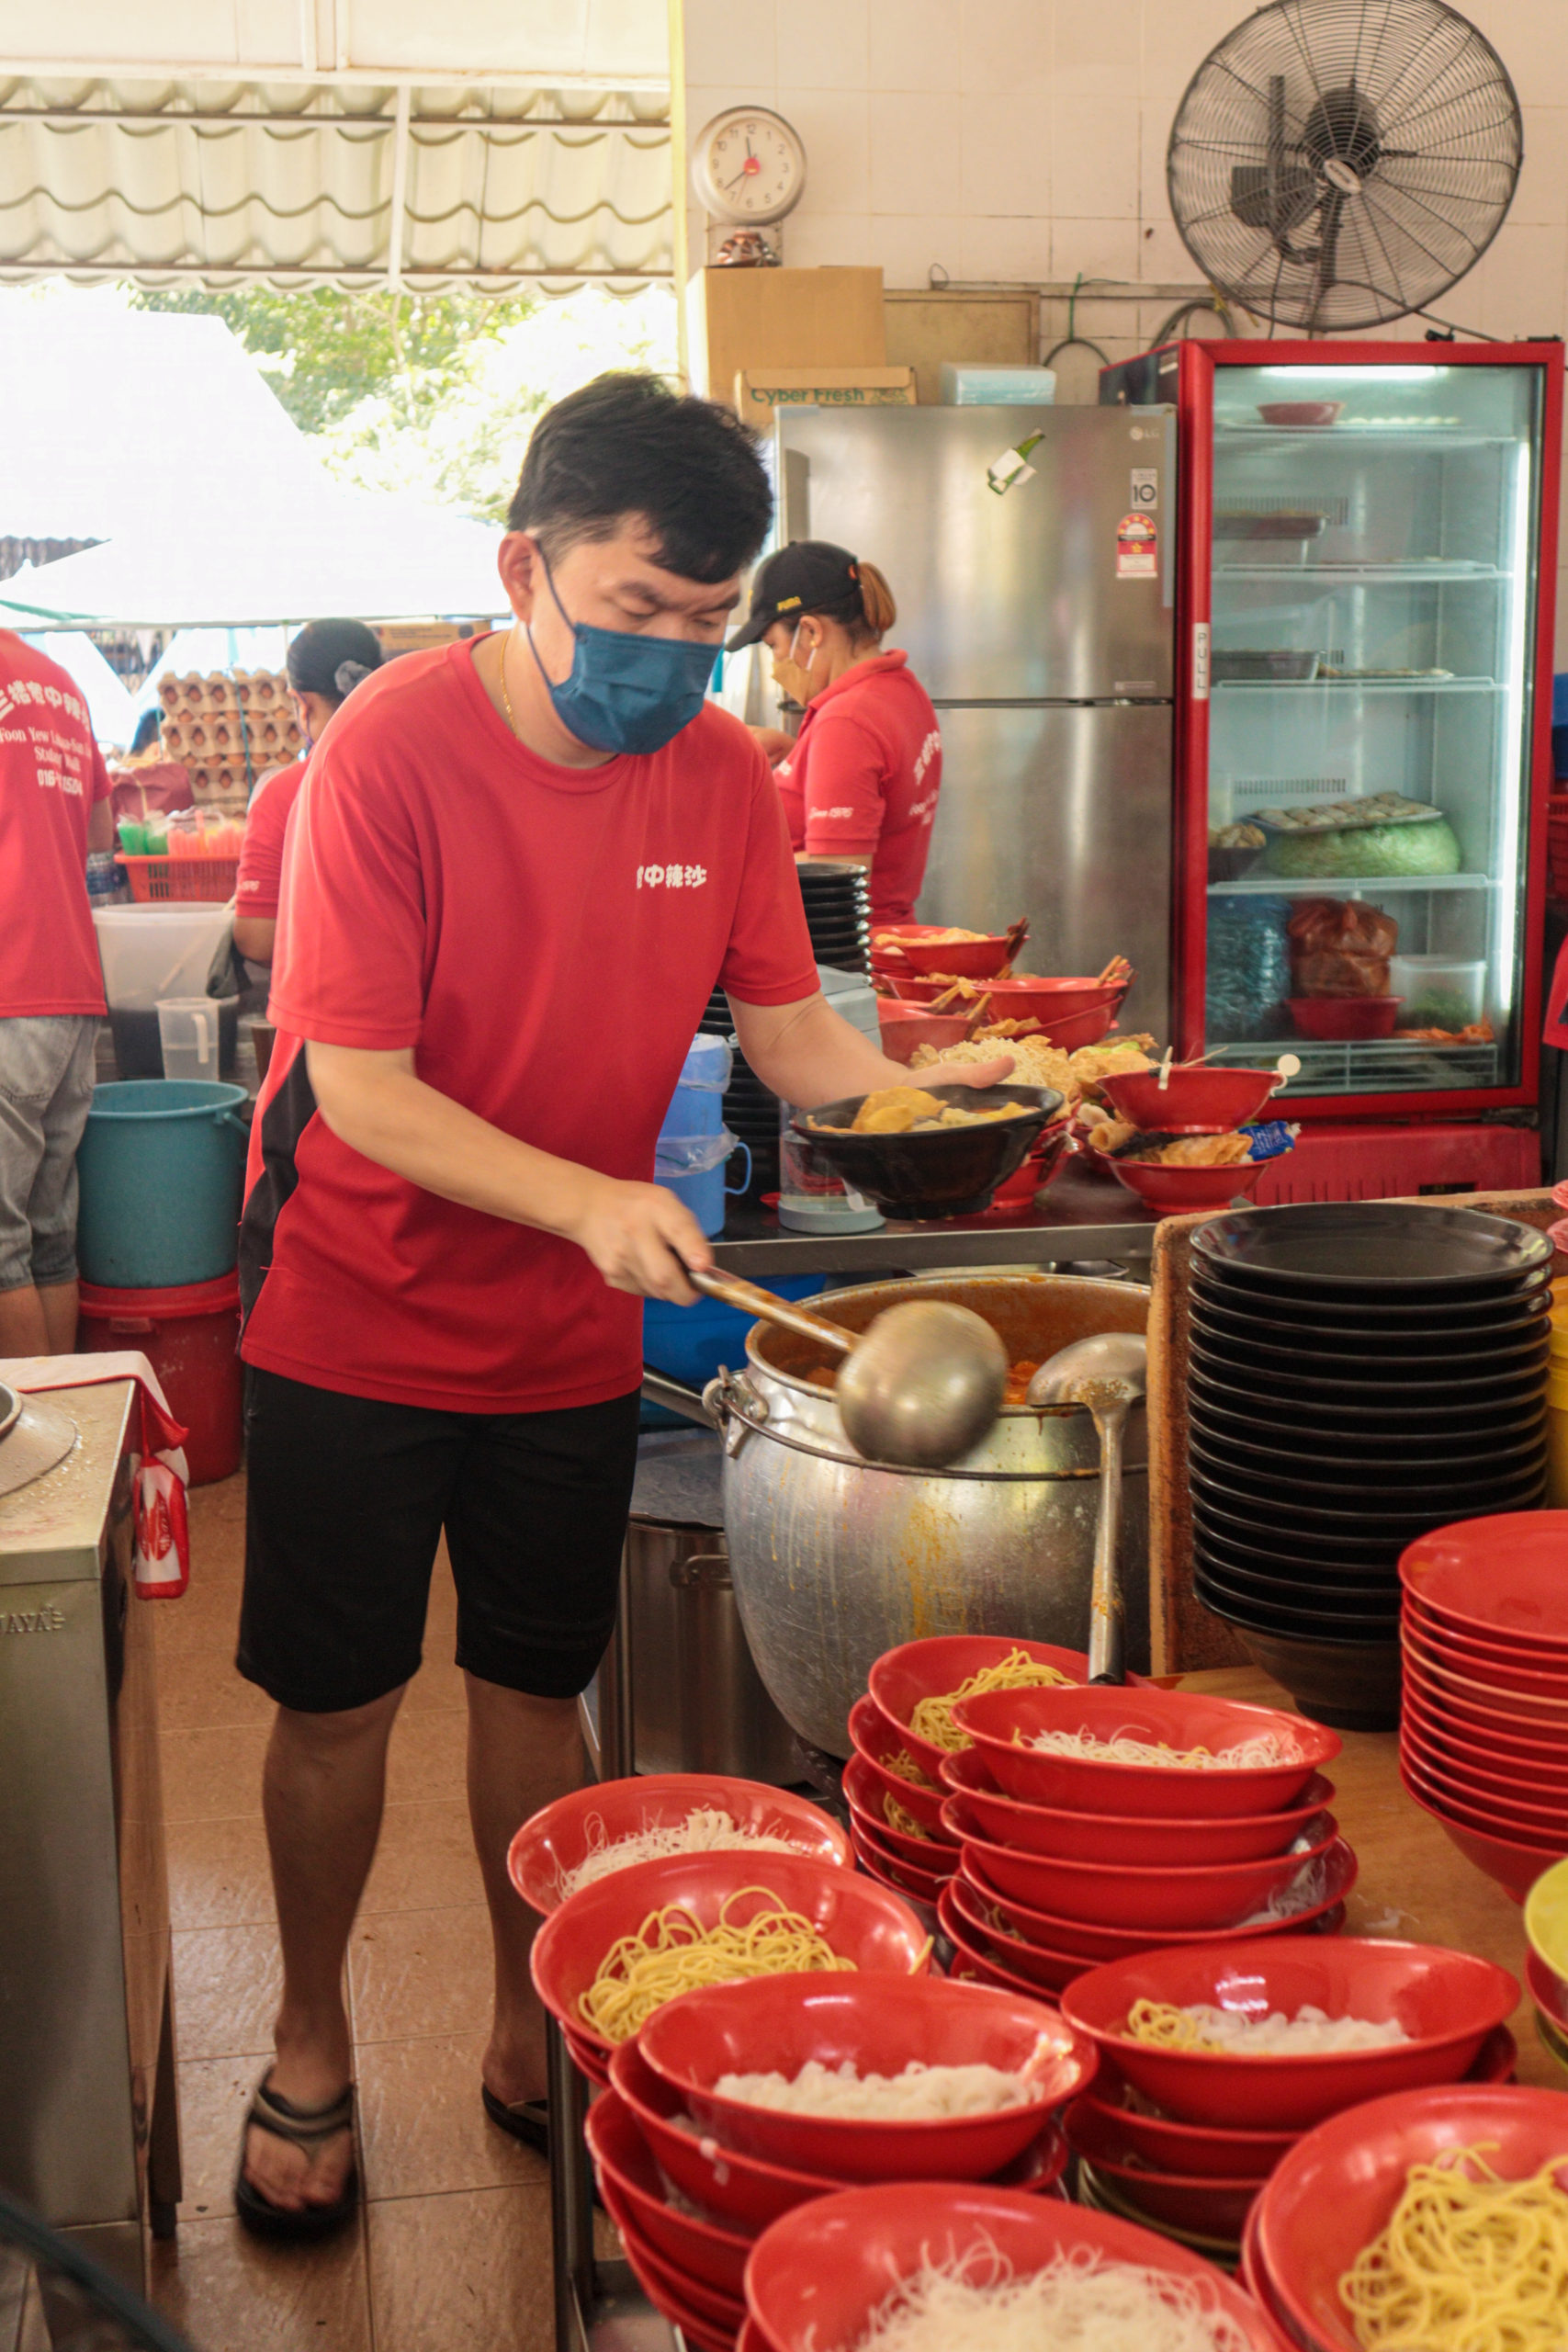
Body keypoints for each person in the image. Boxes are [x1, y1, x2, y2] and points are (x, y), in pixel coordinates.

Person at [231, 373, 1008, 2239]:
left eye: (707, 625)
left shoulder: (724, 776)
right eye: (637, 611)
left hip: (565, 1326)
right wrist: (589, 1195)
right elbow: (362, 1083)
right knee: (339, 1703)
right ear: (528, 563)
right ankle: (312, 2031)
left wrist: (929, 1102)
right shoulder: (391, 755)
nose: (669, 658)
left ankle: (527, 2017)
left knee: (536, 1687)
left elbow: (790, 1023)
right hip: (357, 1302)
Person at [0, 633, 115, 1355]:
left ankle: (35, 1462)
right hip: (71, 990)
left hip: (8, 990)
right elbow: (100, 830)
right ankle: (74, 1438)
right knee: (46, 1238)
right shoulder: (56, 680)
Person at [730, 541, 942, 927]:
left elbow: (836, 872)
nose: (776, 663)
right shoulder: (901, 688)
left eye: (774, 646)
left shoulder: (846, 720)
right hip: (888, 938)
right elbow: (878, 791)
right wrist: (802, 756)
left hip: (843, 958)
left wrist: (722, 859)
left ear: (810, 631)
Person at [232, 620, 383, 968]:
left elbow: (257, 939)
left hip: (330, 1002)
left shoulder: (287, 794)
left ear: (304, 702)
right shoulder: (425, 776)